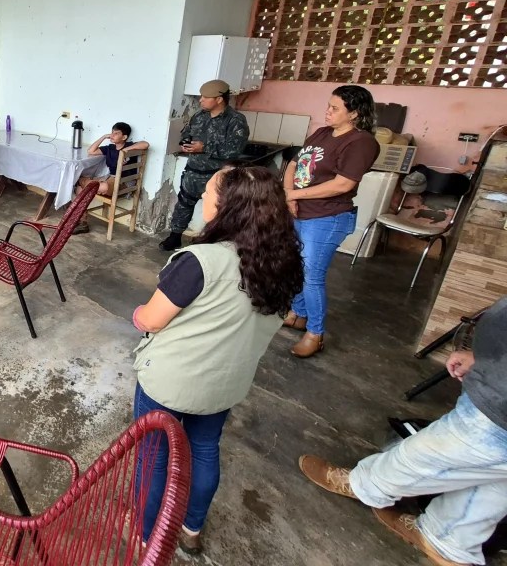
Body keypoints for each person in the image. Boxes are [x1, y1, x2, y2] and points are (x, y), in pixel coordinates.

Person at [132, 166, 303, 555]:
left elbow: (152, 319)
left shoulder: (200, 261)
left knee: (154, 456)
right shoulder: (283, 264)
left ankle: (146, 534)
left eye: (209, 193)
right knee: (204, 449)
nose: (203, 198)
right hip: (226, 382)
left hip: (171, 381)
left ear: (230, 207)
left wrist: (138, 314)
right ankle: (191, 528)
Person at [299, 295, 507, 566]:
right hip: (498, 380)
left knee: (428, 453)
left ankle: (365, 484)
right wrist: (487, 360)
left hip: (499, 410)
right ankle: (448, 539)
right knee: (497, 481)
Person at [281, 84, 379, 358]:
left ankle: (315, 333)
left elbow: (343, 184)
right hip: (300, 210)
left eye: (335, 108)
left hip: (327, 217)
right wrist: (288, 195)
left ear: (354, 113)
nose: (328, 111)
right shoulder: (323, 133)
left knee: (312, 276)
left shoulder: (361, 142)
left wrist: (294, 194)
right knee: (296, 267)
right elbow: (294, 164)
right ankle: (298, 313)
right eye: (328, 105)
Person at [159, 80, 249, 252]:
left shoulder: (235, 120)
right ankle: (175, 236)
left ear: (219, 99)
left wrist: (205, 147)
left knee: (217, 211)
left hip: (217, 175)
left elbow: (235, 150)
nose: (201, 100)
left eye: (206, 97)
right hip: (193, 171)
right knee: (183, 204)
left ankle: (211, 244)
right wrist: (186, 143)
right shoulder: (199, 115)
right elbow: (187, 133)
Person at [73, 122, 149, 234]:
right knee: (79, 187)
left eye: (116, 133)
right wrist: (104, 137)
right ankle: (83, 223)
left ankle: (88, 185)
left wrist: (126, 151)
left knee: (100, 187)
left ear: (124, 137)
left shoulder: (129, 146)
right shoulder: (110, 148)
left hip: (125, 182)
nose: (112, 135)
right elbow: (91, 151)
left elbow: (145, 144)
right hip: (110, 179)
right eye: (112, 132)